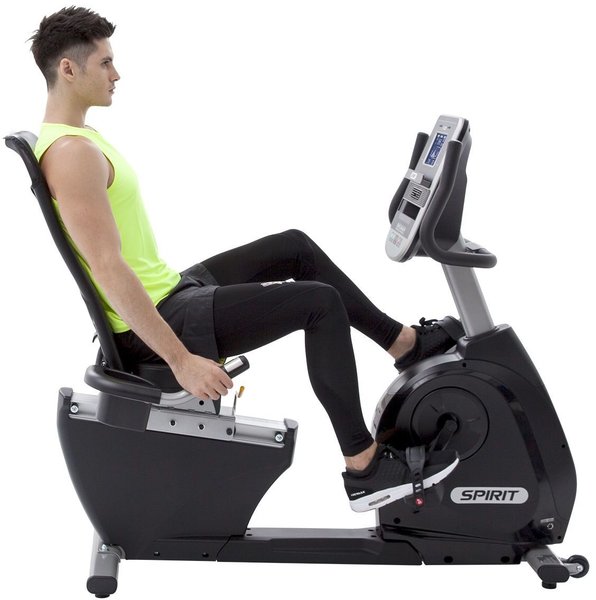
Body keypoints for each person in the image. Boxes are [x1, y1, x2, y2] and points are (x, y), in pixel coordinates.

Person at [29, 6, 461, 512]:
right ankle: (364, 467)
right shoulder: (72, 154)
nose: (117, 74)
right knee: (319, 304)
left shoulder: (80, 140)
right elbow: (106, 267)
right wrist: (181, 360)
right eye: (105, 63)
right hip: (160, 319)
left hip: (168, 289)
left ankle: (403, 343)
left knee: (294, 246)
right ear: (68, 69)